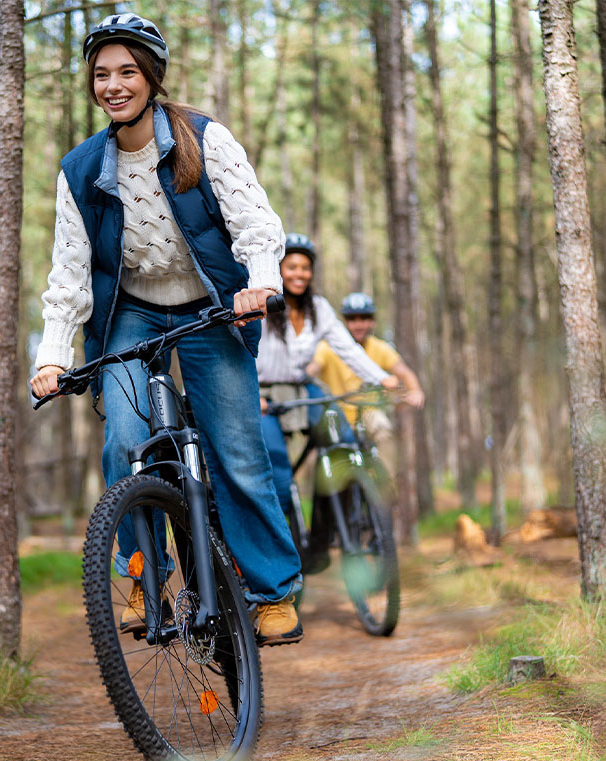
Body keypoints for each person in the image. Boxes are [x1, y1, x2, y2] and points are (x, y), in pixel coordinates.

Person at [28, 14, 304, 645]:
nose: (114, 85)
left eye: (127, 71)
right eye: (102, 75)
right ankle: (143, 575)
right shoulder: (79, 169)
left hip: (211, 304)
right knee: (125, 442)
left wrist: (258, 282)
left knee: (235, 449)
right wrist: (51, 356)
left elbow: (257, 225)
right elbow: (68, 275)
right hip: (134, 310)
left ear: (151, 76)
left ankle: (271, 593)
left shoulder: (202, 140)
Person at [256, 235, 400, 528]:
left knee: (343, 444)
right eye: (292, 266)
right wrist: (249, 392)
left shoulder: (318, 309)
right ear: (279, 269)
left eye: (305, 268)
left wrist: (383, 378)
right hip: (263, 394)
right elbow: (242, 348)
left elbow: (348, 349)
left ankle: (327, 531)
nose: (300, 274)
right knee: (278, 468)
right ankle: (285, 536)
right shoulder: (263, 301)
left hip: (302, 389)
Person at [310, 292, 425, 451]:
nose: (359, 325)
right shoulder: (327, 348)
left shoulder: (380, 348)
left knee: (382, 429)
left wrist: (415, 391)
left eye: (364, 318)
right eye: (352, 319)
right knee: (321, 445)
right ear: (344, 322)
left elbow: (404, 372)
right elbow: (312, 368)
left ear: (372, 321)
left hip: (368, 412)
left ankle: (385, 475)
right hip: (334, 413)